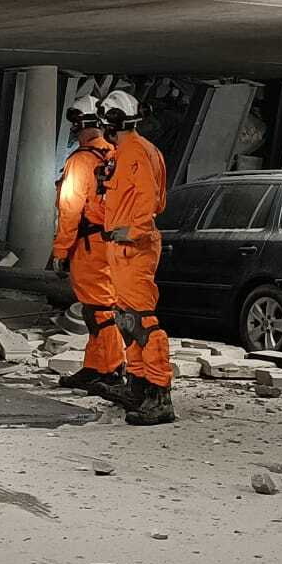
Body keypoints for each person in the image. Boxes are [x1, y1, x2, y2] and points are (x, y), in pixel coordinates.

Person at [47, 95, 129, 404]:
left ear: (81, 126)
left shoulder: (81, 161)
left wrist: (60, 251)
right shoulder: (115, 155)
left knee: (98, 310)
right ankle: (94, 367)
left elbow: (69, 209)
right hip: (112, 243)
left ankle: (109, 369)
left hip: (89, 245)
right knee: (98, 306)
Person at [99, 89, 175, 426]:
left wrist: (134, 231)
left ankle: (160, 395)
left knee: (142, 322)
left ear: (113, 121)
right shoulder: (138, 150)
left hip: (133, 246)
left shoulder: (132, 152)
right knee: (126, 319)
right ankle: (140, 386)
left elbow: (146, 199)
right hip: (125, 245)